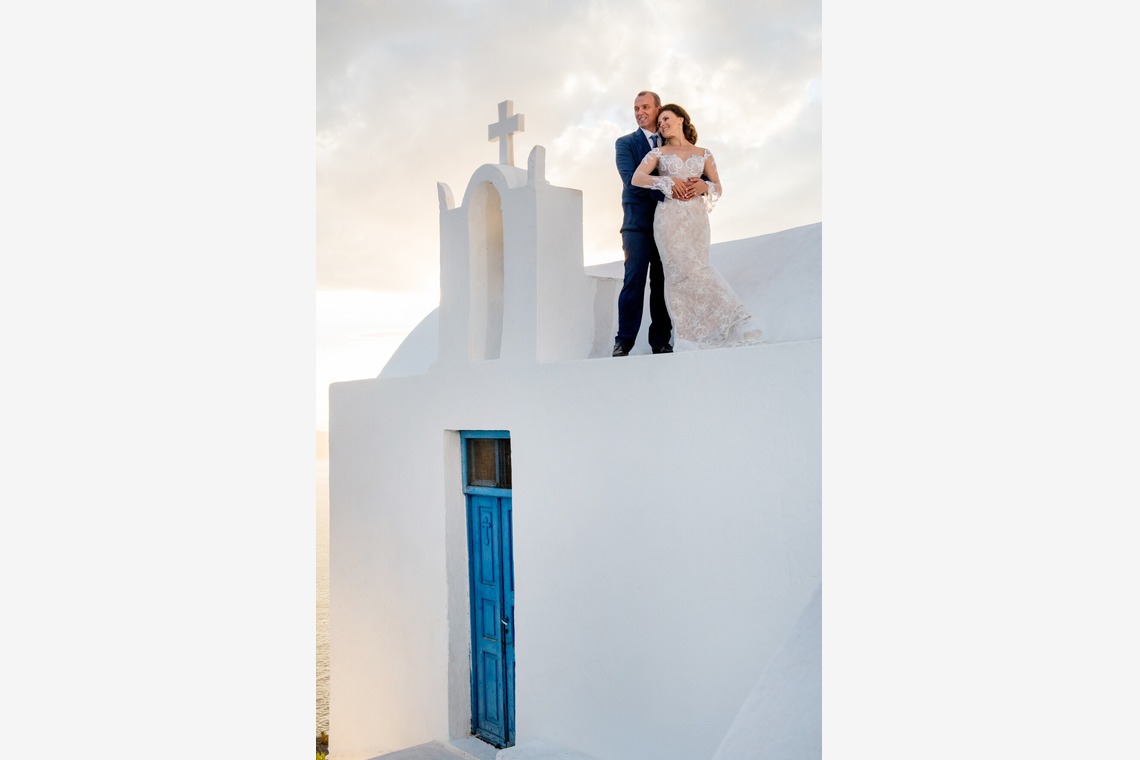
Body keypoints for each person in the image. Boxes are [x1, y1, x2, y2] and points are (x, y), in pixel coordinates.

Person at [632, 103, 764, 350]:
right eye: (659, 122)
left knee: (699, 269)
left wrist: (706, 187)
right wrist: (666, 180)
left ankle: (728, 326)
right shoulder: (658, 154)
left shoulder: (704, 154)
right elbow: (637, 178)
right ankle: (689, 336)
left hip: (696, 220)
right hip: (669, 219)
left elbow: (718, 186)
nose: (662, 124)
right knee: (678, 274)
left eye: (666, 118)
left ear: (681, 119)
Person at [612, 91, 674, 357]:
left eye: (645, 107)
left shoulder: (673, 143)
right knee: (633, 281)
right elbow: (631, 180)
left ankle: (660, 341)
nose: (639, 112)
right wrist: (669, 191)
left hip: (667, 224)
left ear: (658, 109)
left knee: (661, 283)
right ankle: (623, 341)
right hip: (636, 225)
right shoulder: (625, 143)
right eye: (636, 108)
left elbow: (690, 169)